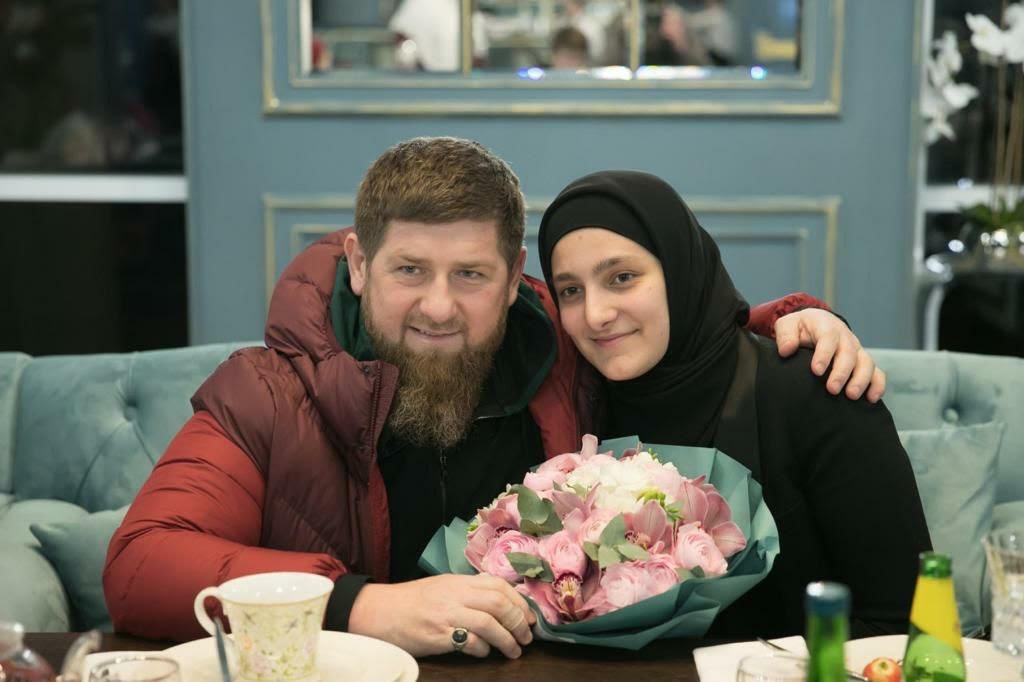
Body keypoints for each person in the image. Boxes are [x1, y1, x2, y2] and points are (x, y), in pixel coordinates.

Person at [104, 137, 886, 658]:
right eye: (410, 269)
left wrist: (788, 322)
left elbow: (670, 337)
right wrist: (361, 607)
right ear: (359, 264)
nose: (440, 306)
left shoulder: (563, 355)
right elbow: (140, 566)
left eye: (471, 275)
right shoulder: (269, 391)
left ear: (513, 278)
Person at [537, 170, 932, 638]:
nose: (596, 314)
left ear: (680, 271)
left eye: (622, 278)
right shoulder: (577, 415)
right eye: (571, 291)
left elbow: (905, 621)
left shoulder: (814, 391)